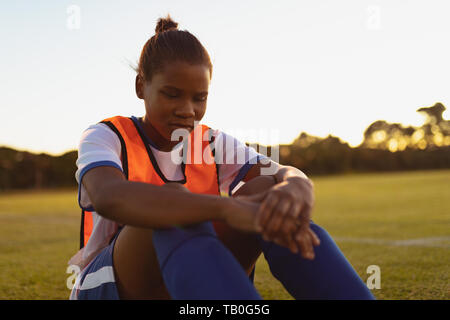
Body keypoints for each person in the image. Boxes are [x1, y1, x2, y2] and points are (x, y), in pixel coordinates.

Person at [68, 15, 375, 300]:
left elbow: (280, 173)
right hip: (110, 285)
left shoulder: (211, 142)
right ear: (141, 86)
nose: (187, 109)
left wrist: (298, 185)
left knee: (267, 193)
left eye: (198, 98)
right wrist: (226, 208)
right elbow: (109, 196)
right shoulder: (106, 135)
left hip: (187, 282)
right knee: (173, 203)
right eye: (171, 94)